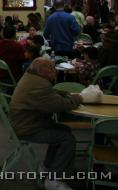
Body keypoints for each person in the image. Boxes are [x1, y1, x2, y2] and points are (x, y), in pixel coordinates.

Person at [9, 58, 102, 190]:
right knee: (67, 139)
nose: (54, 71)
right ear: (42, 71)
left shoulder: (32, 77)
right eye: (51, 69)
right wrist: (81, 97)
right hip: (28, 128)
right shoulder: (39, 85)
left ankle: (49, 167)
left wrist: (67, 94)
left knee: (63, 130)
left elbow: (51, 94)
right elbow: (59, 105)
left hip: (26, 123)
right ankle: (54, 180)